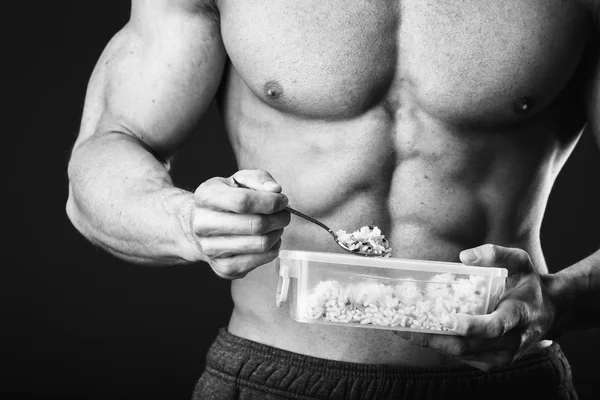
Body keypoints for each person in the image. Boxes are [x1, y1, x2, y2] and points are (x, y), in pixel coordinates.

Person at [66, 0, 600, 399]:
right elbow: (106, 151)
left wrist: (561, 300)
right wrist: (185, 220)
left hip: (507, 380)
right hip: (275, 378)